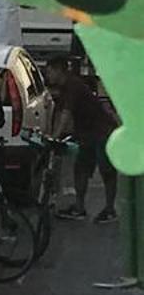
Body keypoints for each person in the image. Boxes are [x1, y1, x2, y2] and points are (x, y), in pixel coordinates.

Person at [44, 58, 120, 223]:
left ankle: (109, 209)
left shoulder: (73, 86)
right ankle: (79, 208)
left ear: (59, 70)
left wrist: (55, 137)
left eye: (49, 71)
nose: (47, 75)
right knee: (81, 169)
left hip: (103, 132)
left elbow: (66, 114)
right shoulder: (66, 88)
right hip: (86, 133)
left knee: (106, 170)